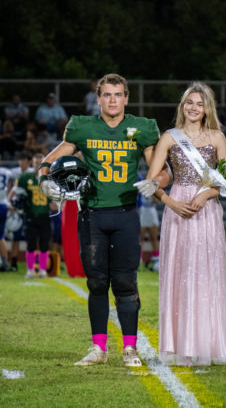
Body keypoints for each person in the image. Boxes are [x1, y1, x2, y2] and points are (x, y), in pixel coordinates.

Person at [38, 73, 169, 367]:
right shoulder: (83, 127)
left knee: (125, 282)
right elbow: (52, 159)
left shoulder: (142, 127)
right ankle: (99, 348)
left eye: (118, 94)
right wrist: (44, 179)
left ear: (126, 98)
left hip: (125, 214)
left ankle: (130, 348)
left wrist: (156, 181)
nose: (112, 100)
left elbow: (163, 169)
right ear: (98, 99)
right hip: (92, 215)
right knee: (97, 283)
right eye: (107, 95)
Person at [140, 82, 226, 365]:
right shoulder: (170, 138)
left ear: (207, 108)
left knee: (207, 273)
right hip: (178, 208)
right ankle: (180, 344)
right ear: (182, 106)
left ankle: (208, 343)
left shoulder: (218, 137)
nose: (193, 108)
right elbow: (151, 182)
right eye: (188, 103)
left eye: (198, 103)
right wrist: (172, 203)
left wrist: (207, 193)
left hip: (207, 210)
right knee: (180, 274)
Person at [10, 153, 55, 279]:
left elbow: (56, 200)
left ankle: (42, 270)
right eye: (36, 163)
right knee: (30, 244)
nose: (38, 165)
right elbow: (15, 193)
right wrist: (11, 203)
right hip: (30, 215)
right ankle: (30, 270)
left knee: (44, 244)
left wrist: (57, 204)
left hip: (45, 215)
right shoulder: (25, 178)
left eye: (40, 163)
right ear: (32, 164)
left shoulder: (49, 179)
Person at [8, 150, 34, 271]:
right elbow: (10, 188)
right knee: (16, 234)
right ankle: (13, 260)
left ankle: (37, 260)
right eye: (20, 160)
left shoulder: (33, 172)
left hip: (31, 205)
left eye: (24, 160)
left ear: (29, 162)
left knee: (34, 234)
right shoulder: (14, 172)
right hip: (18, 205)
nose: (21, 162)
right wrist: (10, 202)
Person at [139, 194, 160, 271]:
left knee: (154, 238)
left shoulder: (153, 184)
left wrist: (153, 197)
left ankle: (157, 259)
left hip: (151, 211)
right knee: (141, 238)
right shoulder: (139, 182)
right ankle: (139, 259)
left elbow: (156, 201)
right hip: (142, 210)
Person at [0, 164, 13, 272]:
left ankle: (3, 263)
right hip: (3, 204)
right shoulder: (6, 171)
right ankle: (4, 263)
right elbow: (10, 186)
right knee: (1, 236)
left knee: (0, 236)